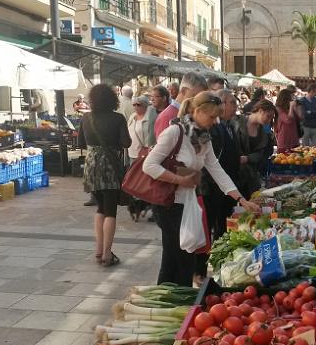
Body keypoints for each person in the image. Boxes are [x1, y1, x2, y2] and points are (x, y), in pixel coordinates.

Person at [143, 91, 258, 286]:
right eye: (211, 117)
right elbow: (149, 165)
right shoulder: (175, 132)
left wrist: (241, 199)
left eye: (216, 118)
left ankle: (172, 295)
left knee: (180, 256)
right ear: (197, 111)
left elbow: (216, 170)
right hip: (168, 204)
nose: (214, 122)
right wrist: (179, 179)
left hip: (188, 203)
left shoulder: (204, 138)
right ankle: (176, 297)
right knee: (179, 257)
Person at [78, 84, 131, 267]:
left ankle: (99, 249)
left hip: (91, 165)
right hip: (110, 166)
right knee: (110, 210)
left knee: (100, 207)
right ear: (112, 99)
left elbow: (81, 142)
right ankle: (107, 254)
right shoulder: (118, 118)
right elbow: (127, 142)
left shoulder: (86, 117)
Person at [202, 89, 243, 241]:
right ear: (221, 104)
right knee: (213, 226)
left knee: (223, 224)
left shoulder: (229, 126)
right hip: (214, 188)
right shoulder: (211, 129)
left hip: (227, 185)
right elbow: (212, 163)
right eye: (232, 103)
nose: (235, 107)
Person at [232, 99, 276, 196]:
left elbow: (264, 152)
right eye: (268, 117)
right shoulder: (237, 122)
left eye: (271, 118)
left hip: (252, 176)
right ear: (260, 110)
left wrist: (248, 158)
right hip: (234, 174)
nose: (269, 121)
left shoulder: (264, 131)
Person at [155, 72, 208, 137]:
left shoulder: (192, 114)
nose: (199, 102)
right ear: (183, 91)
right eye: (195, 96)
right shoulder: (166, 117)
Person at [127, 95, 155, 162]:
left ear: (145, 105)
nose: (136, 107)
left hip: (144, 153)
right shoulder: (132, 116)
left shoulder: (150, 119)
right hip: (131, 153)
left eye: (138, 104)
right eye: (134, 105)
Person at [275, 88, 302, 152]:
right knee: (284, 160)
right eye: (291, 96)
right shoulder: (279, 108)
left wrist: (297, 108)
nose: (293, 98)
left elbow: (300, 117)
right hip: (284, 141)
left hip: (294, 140)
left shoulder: (290, 107)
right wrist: (292, 107)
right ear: (286, 98)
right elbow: (288, 120)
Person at [298, 83, 316, 147]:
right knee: (305, 148)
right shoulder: (302, 101)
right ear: (311, 90)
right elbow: (304, 114)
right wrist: (315, 112)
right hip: (305, 126)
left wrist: (310, 112)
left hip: (315, 126)